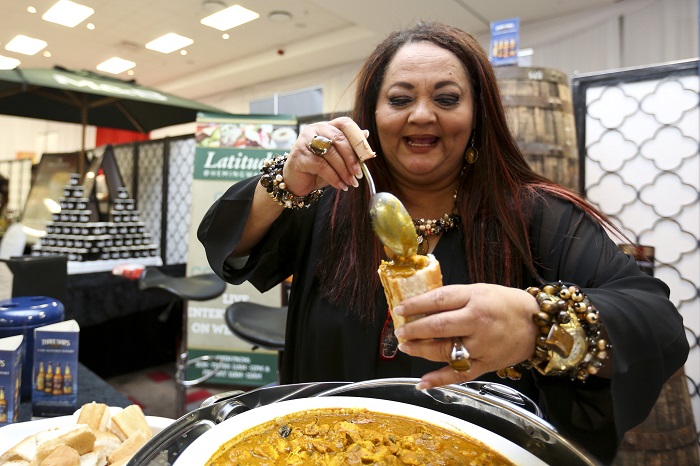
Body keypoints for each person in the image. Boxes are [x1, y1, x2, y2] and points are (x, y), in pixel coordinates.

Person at [198, 21, 688, 463]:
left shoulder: (534, 216)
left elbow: (656, 323)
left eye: (448, 99)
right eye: (400, 98)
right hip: (324, 448)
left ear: (478, 115)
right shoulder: (332, 206)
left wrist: (538, 323)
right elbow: (227, 244)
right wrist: (290, 177)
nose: (422, 115)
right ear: (371, 114)